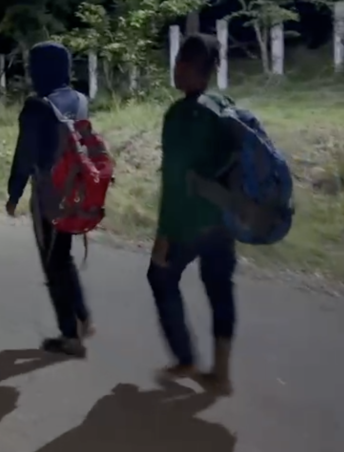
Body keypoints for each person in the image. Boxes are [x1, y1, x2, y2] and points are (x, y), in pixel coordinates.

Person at [147, 34, 237, 395]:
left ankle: (185, 357)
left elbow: (174, 180)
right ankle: (222, 373)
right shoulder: (225, 104)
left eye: (176, 64)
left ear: (185, 68)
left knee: (159, 276)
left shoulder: (181, 115)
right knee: (220, 290)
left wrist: (163, 234)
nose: (174, 71)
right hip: (225, 218)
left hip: (190, 222)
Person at [5, 41, 93, 358]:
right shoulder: (81, 99)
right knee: (64, 255)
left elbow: (24, 155)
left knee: (53, 263)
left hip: (49, 197)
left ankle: (70, 335)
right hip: (79, 193)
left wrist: (13, 194)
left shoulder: (36, 106)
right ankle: (82, 315)